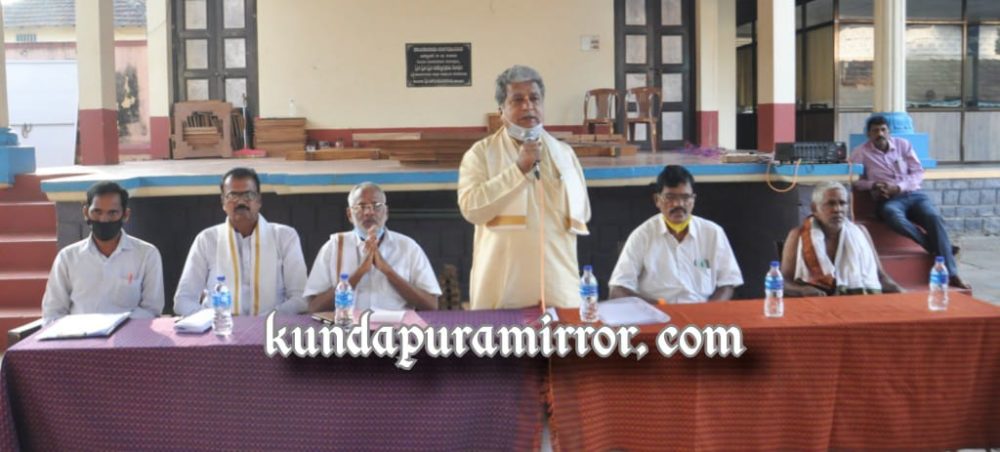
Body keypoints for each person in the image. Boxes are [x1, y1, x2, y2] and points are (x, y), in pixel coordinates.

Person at [458, 65, 591, 309]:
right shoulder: (481, 154)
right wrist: (518, 169)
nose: (528, 106)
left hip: (560, 293)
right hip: (503, 295)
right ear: (501, 110)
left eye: (534, 98)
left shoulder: (564, 154)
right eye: (518, 100)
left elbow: (584, 214)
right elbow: (471, 209)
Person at [849, 115, 970, 289]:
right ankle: (938, 247)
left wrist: (898, 187)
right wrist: (873, 185)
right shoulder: (860, 152)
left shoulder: (903, 145)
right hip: (888, 200)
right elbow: (854, 181)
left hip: (914, 195)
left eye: (883, 130)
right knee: (893, 215)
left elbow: (918, 172)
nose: (880, 134)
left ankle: (952, 274)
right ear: (869, 134)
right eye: (875, 130)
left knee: (933, 217)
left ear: (889, 132)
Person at [174, 167, 307, 316]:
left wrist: (268, 320)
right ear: (223, 202)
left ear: (259, 200)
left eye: (248, 195)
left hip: (271, 325)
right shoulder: (206, 240)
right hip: (220, 326)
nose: (241, 201)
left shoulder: (284, 237)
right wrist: (214, 319)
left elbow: (300, 298)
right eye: (232, 196)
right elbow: (183, 301)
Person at [609, 165, 742, 304]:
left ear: (693, 200)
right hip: (657, 311)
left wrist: (709, 311)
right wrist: (656, 308)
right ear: (657, 200)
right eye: (670, 197)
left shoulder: (713, 233)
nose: (678, 204)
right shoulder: (642, 235)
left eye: (685, 197)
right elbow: (617, 290)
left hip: (701, 310)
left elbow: (728, 283)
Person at [304, 182, 441, 312]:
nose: (369, 212)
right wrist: (360, 271)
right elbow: (314, 307)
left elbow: (431, 304)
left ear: (386, 212)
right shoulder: (333, 247)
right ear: (349, 214)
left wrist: (387, 270)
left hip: (396, 327)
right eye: (361, 206)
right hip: (348, 326)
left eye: (376, 205)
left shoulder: (408, 247)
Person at [41, 181, 164, 324]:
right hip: (80, 335)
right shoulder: (67, 257)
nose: (104, 219)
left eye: (112, 213)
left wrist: (116, 326)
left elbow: (151, 310)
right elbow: (52, 312)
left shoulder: (147, 254)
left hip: (128, 335)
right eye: (97, 212)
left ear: (125, 215)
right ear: (86, 213)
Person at [781, 181, 902, 296]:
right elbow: (783, 282)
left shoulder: (861, 232)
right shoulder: (798, 235)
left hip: (857, 303)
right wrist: (803, 290)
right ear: (814, 209)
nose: (837, 209)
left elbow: (880, 276)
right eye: (831, 203)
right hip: (815, 303)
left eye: (842, 203)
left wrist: (901, 292)